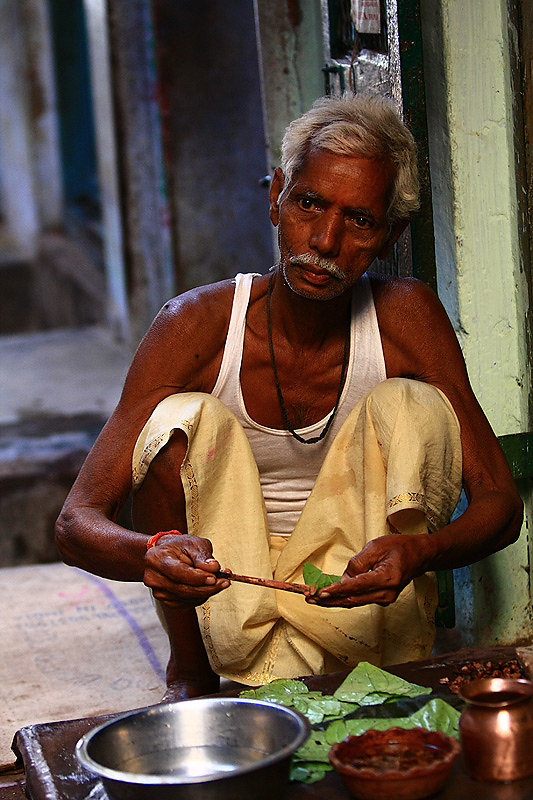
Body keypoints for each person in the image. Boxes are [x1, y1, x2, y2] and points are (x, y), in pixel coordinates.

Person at [55, 93, 523, 700]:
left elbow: (500, 504)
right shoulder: (196, 324)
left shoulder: (407, 317)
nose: (325, 240)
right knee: (176, 421)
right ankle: (191, 673)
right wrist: (153, 553)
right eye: (308, 203)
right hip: (226, 593)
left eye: (359, 220)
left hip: (356, 597)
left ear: (389, 235)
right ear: (276, 197)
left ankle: (359, 667)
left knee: (414, 405)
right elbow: (77, 522)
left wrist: (420, 552)